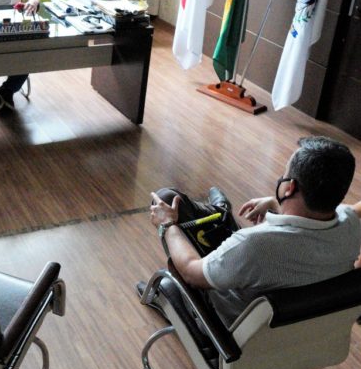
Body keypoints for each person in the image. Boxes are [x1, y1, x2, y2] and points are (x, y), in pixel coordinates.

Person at [144, 136, 361, 326]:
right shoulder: (352, 226)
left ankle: (221, 214)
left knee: (166, 199)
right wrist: (276, 203)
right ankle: (221, 214)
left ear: (289, 187)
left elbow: (191, 273)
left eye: (284, 175)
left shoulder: (255, 244)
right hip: (303, 335)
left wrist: (167, 224)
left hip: (228, 330)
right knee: (231, 240)